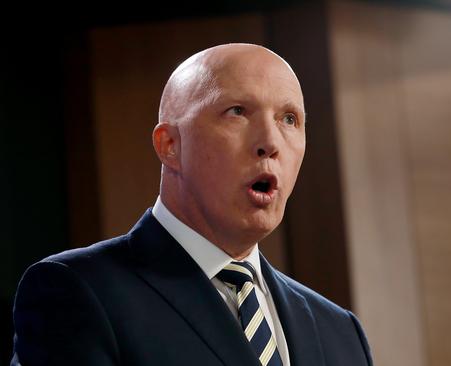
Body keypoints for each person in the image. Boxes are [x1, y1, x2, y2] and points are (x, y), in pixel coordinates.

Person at [11, 43, 373, 366]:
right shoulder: (77, 292)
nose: (270, 142)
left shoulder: (340, 331)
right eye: (237, 111)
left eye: (289, 119)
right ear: (170, 144)